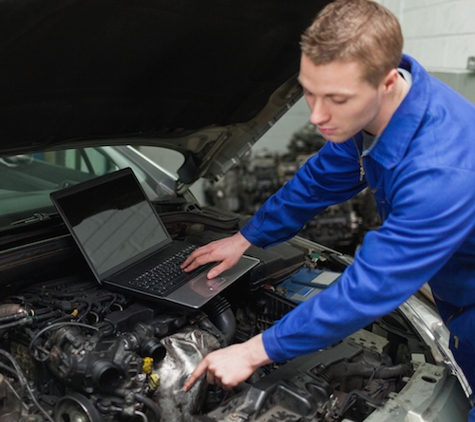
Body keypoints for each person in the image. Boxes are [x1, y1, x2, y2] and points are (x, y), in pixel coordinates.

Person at [181, 0, 475, 419]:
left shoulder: (441, 172)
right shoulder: (375, 115)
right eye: (308, 90)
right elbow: (318, 179)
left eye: (336, 98)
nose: (318, 116)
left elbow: (370, 287)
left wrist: (254, 350)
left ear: (387, 81)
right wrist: (246, 238)